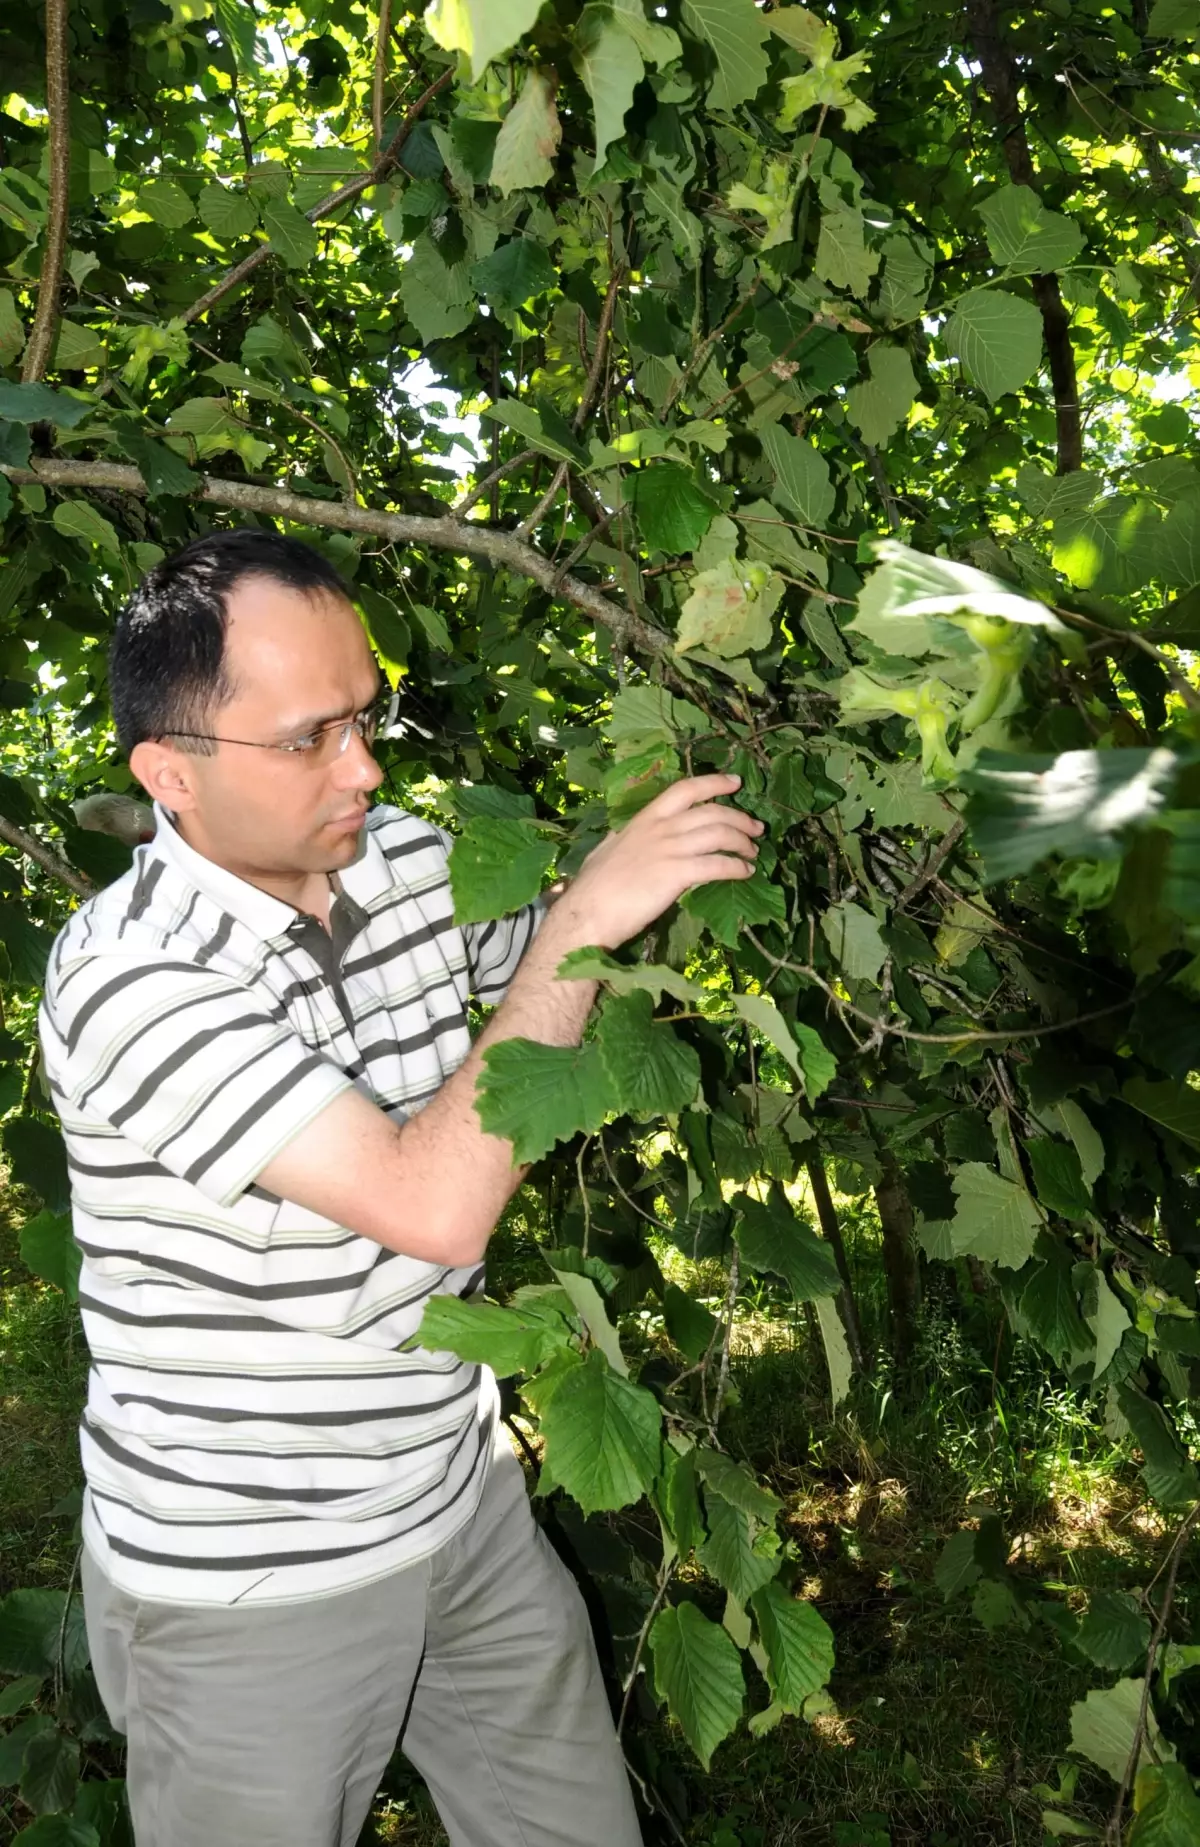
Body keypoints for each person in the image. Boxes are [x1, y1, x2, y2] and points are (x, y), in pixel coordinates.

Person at [38, 528, 764, 1847]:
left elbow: (552, 944)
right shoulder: (129, 976)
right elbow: (431, 1202)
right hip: (250, 1582)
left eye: (367, 718)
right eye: (311, 736)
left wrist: (660, 828)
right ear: (170, 773)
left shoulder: (402, 858)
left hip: (457, 1502)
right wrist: (591, 919)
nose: (365, 768)